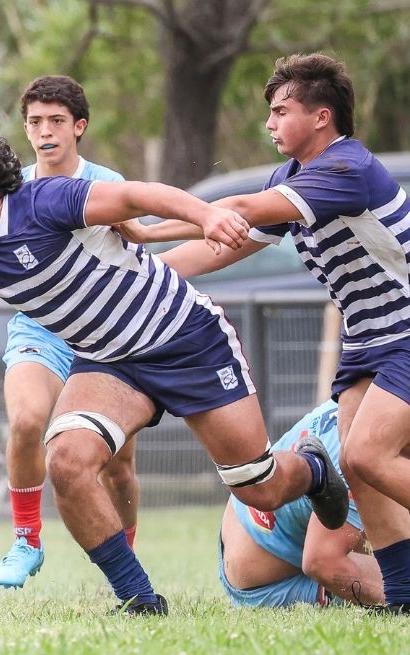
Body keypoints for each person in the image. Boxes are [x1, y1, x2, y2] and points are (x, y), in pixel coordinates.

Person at [0, 123, 349, 616]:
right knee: (68, 461)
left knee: (259, 486)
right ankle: (139, 600)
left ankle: (314, 468)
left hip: (188, 341)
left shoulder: (45, 201)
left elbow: (138, 195)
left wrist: (205, 216)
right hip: (110, 361)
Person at [127, 54, 410, 614]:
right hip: (366, 341)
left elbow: (234, 208)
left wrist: (144, 221)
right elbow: (221, 237)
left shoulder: (345, 169)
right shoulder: (294, 180)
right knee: (354, 466)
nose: (270, 123)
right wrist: (141, 269)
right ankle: (402, 596)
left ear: (322, 116)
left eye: (281, 111)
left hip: (405, 329)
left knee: (369, 455)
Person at [0, 75, 140, 589]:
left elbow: (138, 251)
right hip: (41, 327)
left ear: (79, 127)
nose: (44, 132)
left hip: (105, 333)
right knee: (27, 419)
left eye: (56, 121)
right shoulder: (14, 185)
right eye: (35, 122)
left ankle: (129, 560)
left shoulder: (107, 182)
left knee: (118, 464)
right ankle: (26, 539)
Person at [220, 400, 382, 607]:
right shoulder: (358, 461)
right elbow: (324, 563)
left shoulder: (370, 398)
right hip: (268, 585)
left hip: (241, 523)